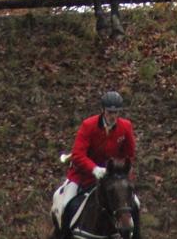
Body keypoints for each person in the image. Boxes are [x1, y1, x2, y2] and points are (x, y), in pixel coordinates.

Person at [50, 91, 138, 237]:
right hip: (84, 176)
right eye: (110, 112)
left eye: (116, 112)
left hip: (113, 176)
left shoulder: (125, 127)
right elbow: (78, 154)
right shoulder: (88, 125)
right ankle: (64, 235)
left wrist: (119, 170)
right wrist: (94, 169)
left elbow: (129, 154)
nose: (113, 116)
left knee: (135, 205)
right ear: (103, 110)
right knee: (65, 204)